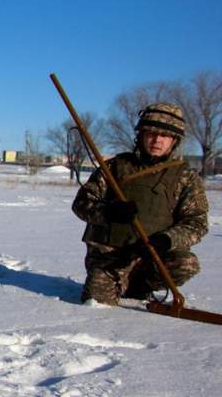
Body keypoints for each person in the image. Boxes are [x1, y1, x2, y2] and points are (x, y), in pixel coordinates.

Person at [72, 102, 208, 306]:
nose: (157, 139)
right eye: (151, 132)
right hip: (112, 255)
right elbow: (81, 204)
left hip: (153, 255)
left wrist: (166, 240)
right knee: (96, 301)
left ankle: (140, 287)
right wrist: (108, 212)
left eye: (165, 135)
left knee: (186, 264)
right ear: (141, 134)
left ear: (174, 141)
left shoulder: (186, 177)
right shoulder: (114, 167)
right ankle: (118, 281)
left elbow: (197, 222)